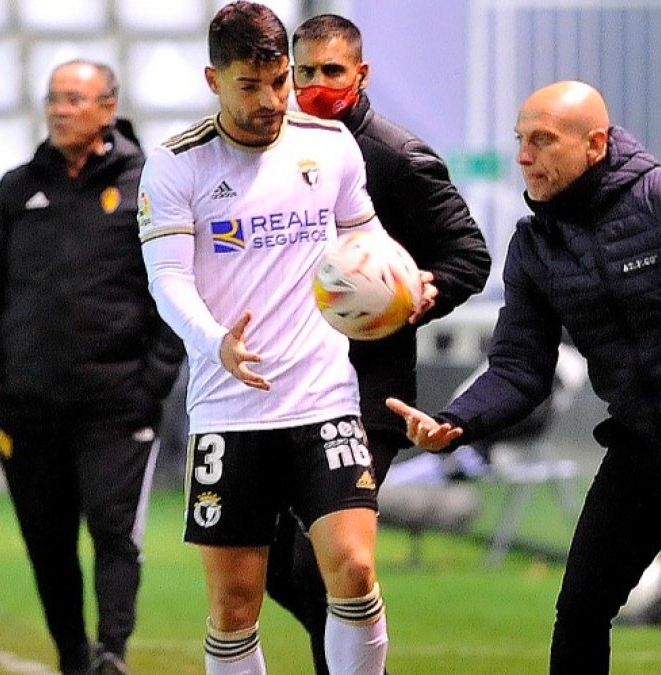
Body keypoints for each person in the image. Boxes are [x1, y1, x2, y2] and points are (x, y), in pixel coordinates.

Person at [386, 81, 661, 674]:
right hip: (642, 450)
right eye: (521, 141)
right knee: (580, 609)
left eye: (543, 141)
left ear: (595, 144)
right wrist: (457, 421)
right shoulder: (535, 246)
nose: (524, 156)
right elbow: (520, 367)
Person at [136, 4, 403, 673]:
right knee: (234, 605)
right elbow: (168, 280)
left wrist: (403, 281)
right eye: (250, 86)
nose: (271, 100)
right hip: (231, 408)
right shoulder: (176, 166)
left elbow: (363, 239)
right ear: (213, 79)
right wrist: (215, 341)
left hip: (323, 398)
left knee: (355, 567)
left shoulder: (330, 145)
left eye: (279, 81)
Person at [261, 13, 492, 673]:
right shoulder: (275, 151)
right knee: (277, 566)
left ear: (360, 74)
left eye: (332, 71)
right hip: (285, 388)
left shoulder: (398, 157)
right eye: (302, 73)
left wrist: (412, 296)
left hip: (365, 394)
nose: (316, 85)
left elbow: (468, 255)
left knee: (322, 562)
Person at [0, 60, 185, 675]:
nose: (60, 110)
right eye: (54, 99)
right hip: (28, 405)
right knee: (48, 544)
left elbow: (173, 282)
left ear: (107, 108)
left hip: (118, 402)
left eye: (74, 99)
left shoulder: (147, 185)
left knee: (116, 533)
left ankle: (112, 652)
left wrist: (155, 378)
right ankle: (71, 657)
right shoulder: (16, 189)